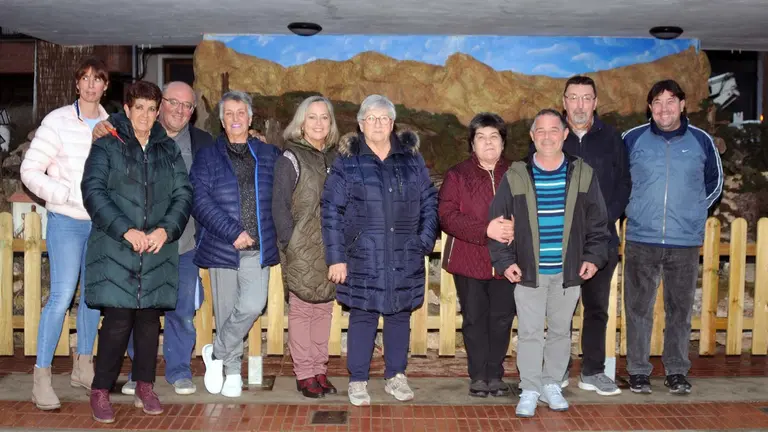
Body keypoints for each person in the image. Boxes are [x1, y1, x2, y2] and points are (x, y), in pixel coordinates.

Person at [82, 80, 192, 423]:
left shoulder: (167, 149)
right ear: (127, 110)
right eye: (138, 107)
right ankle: (101, 390)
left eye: (151, 108)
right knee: (117, 322)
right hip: (118, 247)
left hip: (156, 248)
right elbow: (93, 190)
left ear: (157, 112)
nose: (144, 115)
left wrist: (165, 230)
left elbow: (183, 194)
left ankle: (145, 385)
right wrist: (125, 230)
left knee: (148, 322)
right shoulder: (107, 144)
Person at [488, 109, 609, 418]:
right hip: (529, 272)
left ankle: (552, 384)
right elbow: (498, 223)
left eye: (553, 130)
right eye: (540, 130)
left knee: (559, 331)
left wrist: (593, 258)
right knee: (529, 332)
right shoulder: (516, 175)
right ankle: (529, 388)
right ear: (532, 136)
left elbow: (598, 223)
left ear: (564, 134)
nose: (547, 136)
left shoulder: (583, 174)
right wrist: (504, 262)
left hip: (568, 273)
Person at [321, 94, 439, 406]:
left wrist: (423, 240)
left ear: (392, 123)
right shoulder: (347, 161)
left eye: (384, 118)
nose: (378, 124)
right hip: (363, 255)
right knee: (363, 315)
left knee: (400, 315)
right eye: (371, 118)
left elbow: (429, 200)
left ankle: (395, 376)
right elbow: (331, 210)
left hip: (404, 253)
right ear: (360, 124)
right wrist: (337, 258)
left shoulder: (411, 160)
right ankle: (358, 380)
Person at [622, 80, 723, 396]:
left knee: (680, 310)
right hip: (641, 238)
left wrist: (695, 211)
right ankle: (638, 371)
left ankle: (677, 371)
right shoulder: (632, 139)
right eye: (657, 102)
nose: (663, 108)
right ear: (649, 107)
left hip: (684, 242)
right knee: (638, 309)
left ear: (682, 104)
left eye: (670, 101)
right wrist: (630, 209)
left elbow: (715, 182)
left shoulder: (701, 141)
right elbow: (616, 180)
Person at [21, 57, 110, 411]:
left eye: (97, 79)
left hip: (100, 224)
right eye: (84, 78)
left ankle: (83, 366)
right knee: (60, 297)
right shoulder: (57, 121)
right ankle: (41, 377)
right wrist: (62, 194)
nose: (90, 85)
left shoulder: (111, 123)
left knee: (92, 297)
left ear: (105, 86)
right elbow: (30, 170)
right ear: (77, 84)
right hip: (67, 222)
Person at [190, 90, 281, 398]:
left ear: (251, 117)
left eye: (241, 113)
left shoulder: (268, 154)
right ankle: (231, 372)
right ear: (221, 119)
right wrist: (232, 232)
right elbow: (198, 199)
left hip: (258, 246)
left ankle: (214, 353)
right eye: (229, 113)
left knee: (253, 304)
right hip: (222, 245)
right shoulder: (208, 156)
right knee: (227, 307)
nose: (236, 118)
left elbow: (284, 192)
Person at [550, 75, 630, 395]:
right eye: (573, 97)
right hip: (561, 243)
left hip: (601, 241)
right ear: (564, 102)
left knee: (597, 308)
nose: (580, 104)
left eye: (586, 98)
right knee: (559, 310)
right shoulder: (551, 136)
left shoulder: (612, 138)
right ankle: (557, 371)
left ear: (596, 102)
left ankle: (593, 371)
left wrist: (600, 222)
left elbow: (624, 184)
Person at [438, 112, 516, 398]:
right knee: (474, 318)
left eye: (494, 137)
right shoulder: (457, 175)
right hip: (469, 259)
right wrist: (487, 229)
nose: (488, 143)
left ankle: (495, 373)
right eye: (481, 137)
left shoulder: (517, 173)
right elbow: (447, 216)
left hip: (507, 262)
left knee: (502, 318)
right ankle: (478, 375)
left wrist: (517, 227)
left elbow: (530, 211)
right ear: (472, 144)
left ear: (503, 142)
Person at [273, 96, 340, 398]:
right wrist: (289, 242)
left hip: (330, 246)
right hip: (301, 246)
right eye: (312, 117)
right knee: (302, 309)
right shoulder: (290, 158)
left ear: (331, 123)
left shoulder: (336, 158)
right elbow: (279, 206)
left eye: (324, 117)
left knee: (324, 308)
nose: (318, 123)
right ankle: (304, 373)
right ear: (301, 123)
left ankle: (319, 369)